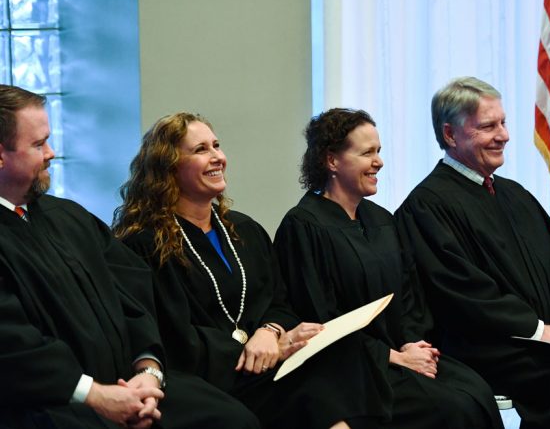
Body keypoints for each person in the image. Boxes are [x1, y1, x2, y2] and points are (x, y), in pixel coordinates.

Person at [395, 76, 550, 428]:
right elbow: (462, 295)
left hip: (547, 335)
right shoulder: (427, 207)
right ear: (451, 134)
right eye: (488, 126)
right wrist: (542, 331)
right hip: (491, 345)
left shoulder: (512, 193)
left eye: (503, 122)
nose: (504, 135)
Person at [0, 84, 260, 428]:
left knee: (230, 419)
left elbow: (134, 295)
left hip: (129, 381)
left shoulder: (69, 217)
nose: (51, 152)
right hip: (57, 400)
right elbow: (13, 346)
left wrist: (148, 370)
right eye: (38, 144)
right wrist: (95, 394)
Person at [113, 112, 391, 429]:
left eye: (216, 145)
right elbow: (173, 334)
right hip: (211, 376)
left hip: (267, 362)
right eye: (201, 149)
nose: (217, 157)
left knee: (346, 355)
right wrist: (250, 350)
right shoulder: (145, 244)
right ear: (169, 167)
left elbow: (279, 300)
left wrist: (270, 331)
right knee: (315, 391)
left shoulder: (244, 230)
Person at [273, 108, 504, 429]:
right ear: (331, 161)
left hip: (403, 353)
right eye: (367, 153)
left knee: (475, 390)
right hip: (351, 367)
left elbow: (409, 296)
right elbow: (319, 318)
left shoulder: (381, 219)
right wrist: (391, 357)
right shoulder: (304, 226)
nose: (379, 162)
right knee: (450, 407)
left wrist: (412, 344)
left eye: (378, 151)